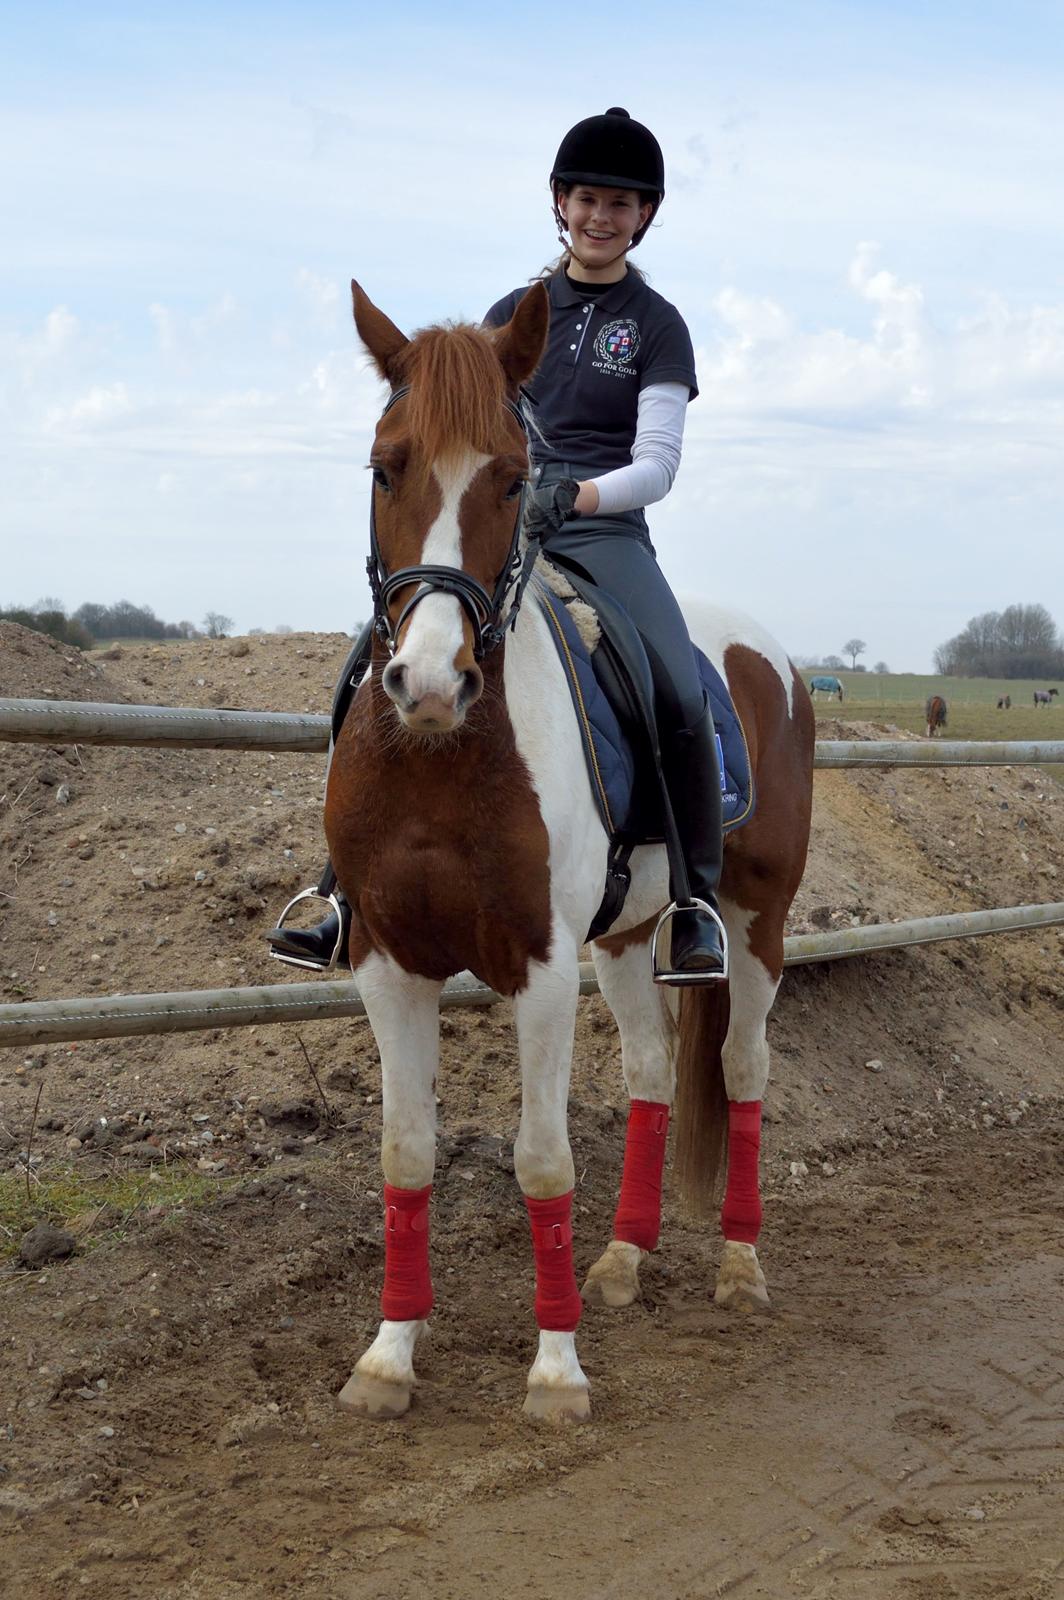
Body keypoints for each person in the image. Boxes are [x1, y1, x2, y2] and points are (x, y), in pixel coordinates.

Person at [267, 107, 727, 982]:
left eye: (621, 203)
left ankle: (694, 902)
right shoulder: (509, 315)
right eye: (586, 198)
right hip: (500, 525)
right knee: (368, 667)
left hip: (604, 533)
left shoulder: (657, 324)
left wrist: (579, 493)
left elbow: (659, 463)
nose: (600, 216)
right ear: (560, 202)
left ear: (645, 215)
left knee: (675, 684)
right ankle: (344, 889)